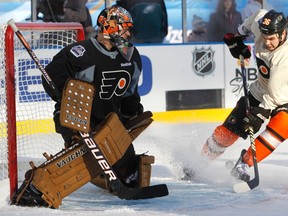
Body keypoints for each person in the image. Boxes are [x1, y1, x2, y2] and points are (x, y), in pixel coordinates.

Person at [12, 5, 157, 208]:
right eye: (124, 28)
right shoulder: (78, 54)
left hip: (110, 125)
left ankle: (105, 171)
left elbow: (130, 94)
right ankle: (35, 188)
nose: (127, 33)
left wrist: (131, 116)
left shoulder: (131, 56)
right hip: (75, 120)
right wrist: (69, 103)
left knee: (133, 173)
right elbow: (52, 81)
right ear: (109, 27)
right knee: (76, 164)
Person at [198, 9, 288, 182]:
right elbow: (258, 15)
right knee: (229, 130)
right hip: (261, 89)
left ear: (283, 33)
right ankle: (200, 162)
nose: (267, 42)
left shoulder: (284, 58)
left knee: (282, 125)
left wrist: (259, 114)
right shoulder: (262, 24)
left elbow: (275, 95)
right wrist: (239, 35)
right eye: (265, 37)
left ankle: (244, 164)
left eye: (272, 39)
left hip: (283, 96)